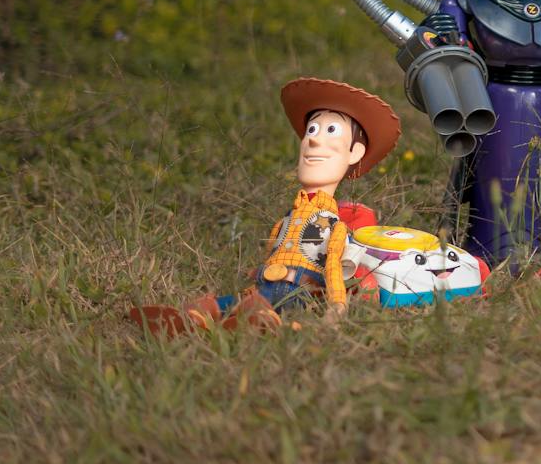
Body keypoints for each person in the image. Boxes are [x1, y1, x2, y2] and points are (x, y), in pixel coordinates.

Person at [128, 78, 401, 333]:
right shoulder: (285, 220)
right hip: (261, 287)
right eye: (311, 130)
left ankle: (260, 322)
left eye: (331, 130)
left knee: (260, 308)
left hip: (297, 292)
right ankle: (188, 319)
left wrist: (336, 306)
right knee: (217, 302)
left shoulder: (335, 227)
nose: (313, 140)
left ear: (354, 152)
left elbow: (332, 269)